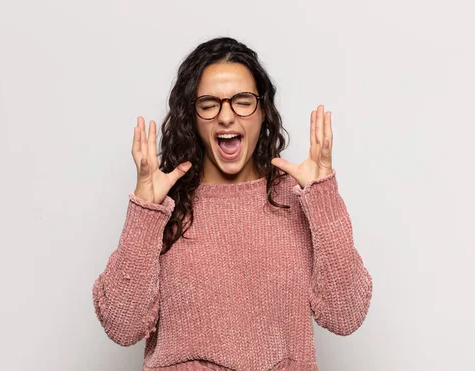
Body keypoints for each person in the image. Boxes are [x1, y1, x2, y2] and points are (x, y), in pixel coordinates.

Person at [92, 37, 373, 371]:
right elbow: (122, 326)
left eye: (242, 101)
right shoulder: (165, 204)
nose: (226, 117)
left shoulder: (297, 197)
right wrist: (144, 210)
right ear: (191, 116)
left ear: (263, 110)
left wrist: (323, 196)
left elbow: (345, 315)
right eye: (209, 103)